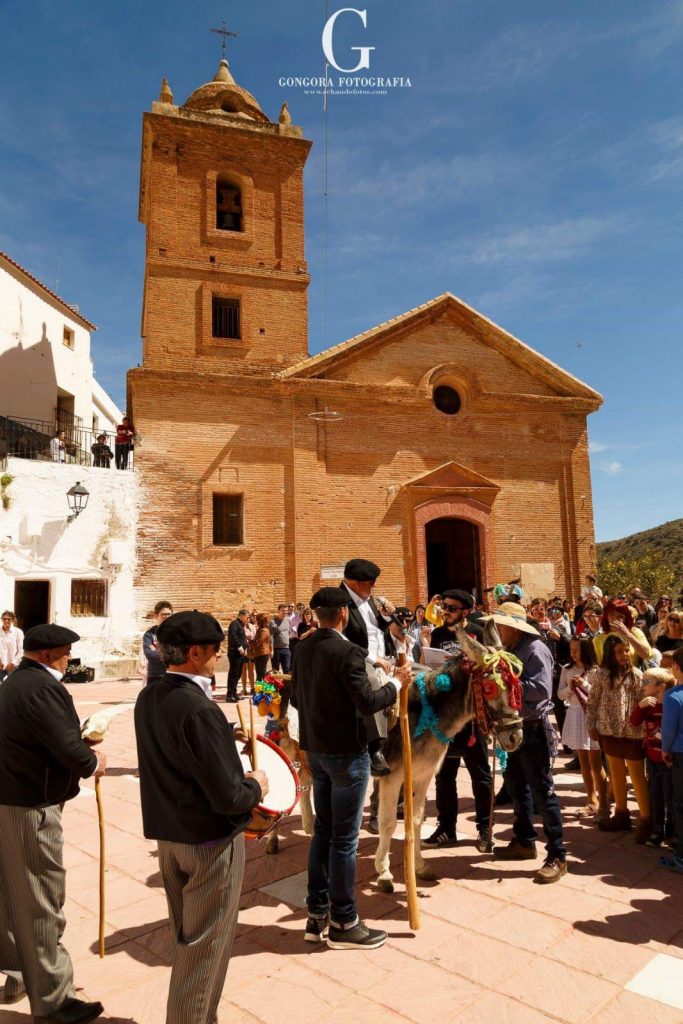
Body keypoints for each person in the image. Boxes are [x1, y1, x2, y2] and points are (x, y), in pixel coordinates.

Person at [134, 610, 267, 1024]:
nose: (219, 657)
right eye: (214, 650)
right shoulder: (199, 710)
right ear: (195, 653)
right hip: (209, 844)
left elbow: (175, 744)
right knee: (205, 951)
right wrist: (257, 784)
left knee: (188, 941)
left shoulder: (150, 696)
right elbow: (230, 797)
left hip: (170, 837)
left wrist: (222, 735)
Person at [290, 587, 411, 949]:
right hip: (346, 754)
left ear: (316, 615)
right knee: (344, 839)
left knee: (324, 833)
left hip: (317, 752)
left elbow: (296, 698)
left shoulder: (302, 649)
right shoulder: (348, 652)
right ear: (343, 614)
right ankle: (344, 921)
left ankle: (316, 915)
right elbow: (369, 701)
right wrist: (397, 682)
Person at [0, 623, 106, 1023]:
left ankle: (19, 975)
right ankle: (54, 1001)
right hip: (30, 806)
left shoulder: (16, 682)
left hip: (11, 800)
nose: (69, 660)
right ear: (47, 655)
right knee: (41, 899)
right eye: (65, 654)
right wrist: (93, 761)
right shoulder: (42, 687)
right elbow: (67, 746)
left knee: (12, 895)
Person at [491, 602, 567, 883]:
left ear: (514, 628)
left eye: (502, 626)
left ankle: (557, 854)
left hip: (533, 729)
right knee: (516, 786)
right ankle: (524, 840)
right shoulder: (511, 650)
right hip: (514, 728)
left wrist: (506, 684)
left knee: (542, 792)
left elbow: (542, 689)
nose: (499, 630)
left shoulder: (535, 649)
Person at [422, 590, 493, 853]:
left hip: (472, 716)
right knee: (444, 775)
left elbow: (489, 668)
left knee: (480, 775)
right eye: (444, 607)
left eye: (451, 608)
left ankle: (485, 828)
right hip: (445, 717)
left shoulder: (478, 632)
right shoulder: (439, 634)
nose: (445, 612)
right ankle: (446, 828)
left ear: (466, 611)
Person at [586, 635, 651, 839]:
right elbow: (593, 700)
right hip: (608, 730)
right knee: (615, 773)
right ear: (609, 653)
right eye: (619, 651)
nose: (624, 655)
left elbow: (643, 702)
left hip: (633, 732)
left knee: (637, 775)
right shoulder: (600, 675)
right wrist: (590, 724)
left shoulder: (637, 675)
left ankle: (646, 819)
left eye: (626, 650)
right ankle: (621, 814)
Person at [339, 557, 396, 777]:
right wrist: (373, 658)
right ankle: (376, 748)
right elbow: (343, 639)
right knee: (371, 683)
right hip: (359, 658)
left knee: (421, 672)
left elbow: (377, 628)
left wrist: (386, 616)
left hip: (385, 656)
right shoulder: (340, 601)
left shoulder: (367, 598)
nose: (374, 586)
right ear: (355, 582)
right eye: (370, 582)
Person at [557, 637, 608, 819]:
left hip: (591, 715)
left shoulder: (596, 671)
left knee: (596, 762)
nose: (573, 653)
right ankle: (592, 800)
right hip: (575, 714)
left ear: (586, 650)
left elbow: (601, 694)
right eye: (571, 649)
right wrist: (571, 688)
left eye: (577, 649)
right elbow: (560, 694)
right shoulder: (566, 669)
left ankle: (604, 803)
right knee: (583, 762)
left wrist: (584, 684)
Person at [631, 667, 676, 848]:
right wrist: (640, 706)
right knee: (655, 796)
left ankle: (672, 833)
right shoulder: (648, 705)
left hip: (668, 760)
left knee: (670, 797)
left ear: (661, 687)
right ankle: (658, 831)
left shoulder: (671, 706)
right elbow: (634, 721)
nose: (642, 685)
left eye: (646, 682)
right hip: (652, 758)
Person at [660, 647, 683, 871]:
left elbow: (668, 730)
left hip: (679, 754)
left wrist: (665, 750)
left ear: (676, 666)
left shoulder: (673, 696)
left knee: (680, 803)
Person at [592, 598, 652, 668]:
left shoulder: (635, 632)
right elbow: (596, 665)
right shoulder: (598, 639)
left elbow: (647, 655)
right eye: (612, 614)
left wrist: (627, 634)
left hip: (631, 673)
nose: (615, 618)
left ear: (626, 618)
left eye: (620, 616)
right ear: (606, 617)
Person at [142, 601, 174, 683]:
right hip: (155, 677)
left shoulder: (176, 633)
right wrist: (170, 653)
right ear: (156, 616)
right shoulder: (149, 634)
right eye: (164, 614)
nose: (167, 617)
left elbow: (180, 653)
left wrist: (157, 650)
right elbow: (150, 655)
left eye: (169, 614)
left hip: (173, 677)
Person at [226, 609, 249, 702]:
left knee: (238, 674)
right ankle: (229, 695)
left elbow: (242, 638)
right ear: (242, 616)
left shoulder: (240, 625)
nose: (248, 619)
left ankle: (234, 693)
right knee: (233, 673)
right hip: (234, 653)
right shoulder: (234, 624)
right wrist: (240, 647)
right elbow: (233, 637)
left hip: (241, 654)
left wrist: (245, 648)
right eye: (247, 617)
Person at [0, 610, 24, 682]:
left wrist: (13, 663)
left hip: (13, 668)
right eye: (4, 619)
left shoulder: (18, 632)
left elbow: (21, 650)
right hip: (1, 667)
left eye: (9, 619)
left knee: (12, 686)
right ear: (2, 619)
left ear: (12, 620)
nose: (6, 621)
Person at [270, 604, 291, 673]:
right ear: (278, 611)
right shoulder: (273, 622)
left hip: (286, 649)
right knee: (275, 670)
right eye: (283, 610)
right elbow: (271, 636)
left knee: (287, 669)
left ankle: (285, 681)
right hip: (276, 649)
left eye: (286, 610)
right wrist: (271, 650)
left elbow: (288, 632)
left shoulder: (288, 620)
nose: (285, 612)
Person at [240, 611, 257, 696]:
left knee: (251, 670)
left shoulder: (252, 626)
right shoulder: (240, 627)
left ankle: (252, 688)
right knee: (243, 670)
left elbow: (255, 636)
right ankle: (244, 688)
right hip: (243, 651)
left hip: (251, 650)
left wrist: (250, 638)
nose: (248, 619)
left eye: (248, 617)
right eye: (247, 617)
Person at [252, 613, 272, 681]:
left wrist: (251, 644)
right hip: (258, 653)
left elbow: (259, 643)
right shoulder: (260, 629)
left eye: (257, 620)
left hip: (262, 654)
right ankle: (259, 686)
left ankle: (265, 686)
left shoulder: (264, 630)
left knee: (262, 672)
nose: (256, 621)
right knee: (259, 673)